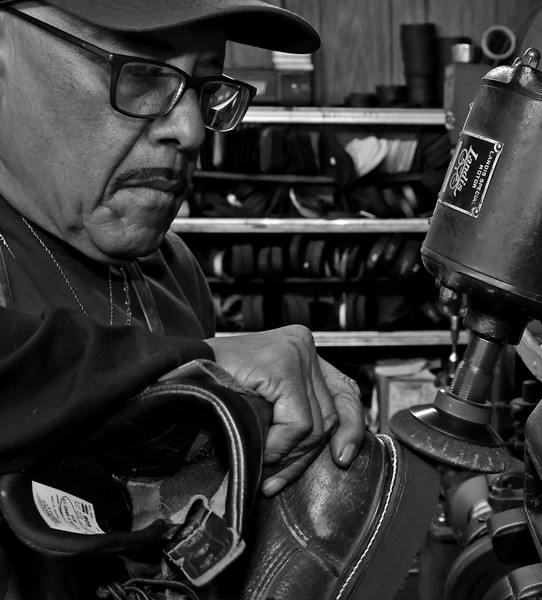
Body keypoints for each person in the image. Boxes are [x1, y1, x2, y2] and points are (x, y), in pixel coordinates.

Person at [0, 0, 366, 596]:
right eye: (142, 74)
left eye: (206, 87)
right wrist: (193, 367)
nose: (191, 130)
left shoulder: (171, 271)